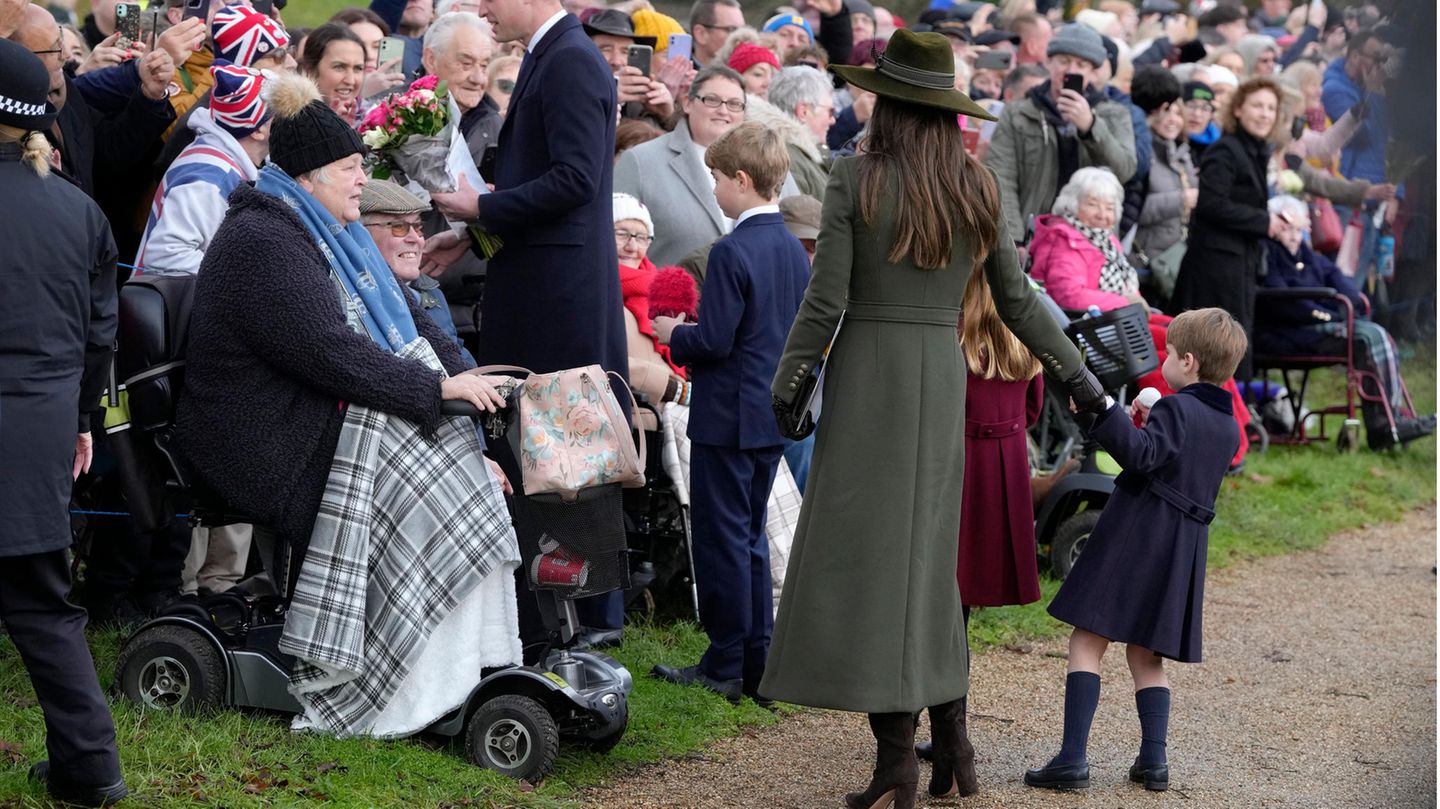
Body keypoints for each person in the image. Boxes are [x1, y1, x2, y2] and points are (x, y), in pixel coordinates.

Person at [758, 31, 1100, 809]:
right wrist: (1075, 373)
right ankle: (952, 743)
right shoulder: (977, 184)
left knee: (876, 565)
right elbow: (1018, 301)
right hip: (944, 376)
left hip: (872, 373)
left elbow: (827, 298)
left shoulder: (854, 177)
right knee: (929, 564)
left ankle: (897, 762)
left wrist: (791, 376)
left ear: (892, 106)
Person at [428, 0, 631, 641]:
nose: (483, 9)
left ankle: (591, 617)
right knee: (551, 453)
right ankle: (561, 610)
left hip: (559, 300)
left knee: (571, 455)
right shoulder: (556, 55)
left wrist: (484, 206)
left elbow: (574, 179)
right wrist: (471, 233)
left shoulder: (571, 60)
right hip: (545, 285)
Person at [1025, 308, 1248, 794]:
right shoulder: (1227, 426)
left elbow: (1143, 456)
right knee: (1147, 654)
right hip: (1182, 548)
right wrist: (1144, 428)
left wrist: (1107, 415)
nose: (1163, 361)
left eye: (1168, 353)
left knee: (1088, 639)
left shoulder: (1177, 407)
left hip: (1141, 532)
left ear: (1187, 362)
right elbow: (1173, 460)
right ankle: (1153, 762)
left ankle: (1072, 758)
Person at [0, 40, 127, 809]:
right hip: (43, 430)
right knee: (43, 605)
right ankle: (91, 767)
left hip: (38, 419)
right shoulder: (78, 210)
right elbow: (98, 336)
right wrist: (81, 418)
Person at [650, 121, 809, 706]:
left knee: (723, 539)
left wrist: (674, 332)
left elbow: (714, 341)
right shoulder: (792, 248)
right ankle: (756, 662)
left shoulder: (733, 250)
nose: (713, 189)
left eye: (717, 178)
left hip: (727, 415)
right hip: (769, 412)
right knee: (752, 540)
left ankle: (723, 662)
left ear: (741, 180)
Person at [1257, 196, 1433, 451]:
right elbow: (1287, 304)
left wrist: (1349, 304)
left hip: (1322, 328)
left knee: (1375, 336)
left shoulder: (1310, 257)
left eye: (1299, 229)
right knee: (1369, 337)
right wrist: (1330, 315)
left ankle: (1387, 422)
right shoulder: (1268, 255)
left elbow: (1342, 284)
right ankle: (1386, 425)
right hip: (1291, 334)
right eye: (1288, 229)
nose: (1294, 236)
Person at [1172, 76, 1286, 380]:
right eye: (1258, 106)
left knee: (1231, 353)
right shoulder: (1226, 150)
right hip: (1214, 269)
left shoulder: (1253, 151)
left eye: (1271, 108)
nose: (1264, 114)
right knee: (1214, 356)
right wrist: (1264, 222)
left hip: (1237, 264)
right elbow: (1211, 203)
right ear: (1238, 109)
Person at [984, 22, 1137, 244]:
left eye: (1081, 64)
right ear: (1049, 62)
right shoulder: (1019, 112)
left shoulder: (1114, 115)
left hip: (1090, 245)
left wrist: (1090, 126)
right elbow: (1001, 179)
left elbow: (1124, 170)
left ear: (1092, 71)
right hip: (1032, 237)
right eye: (1064, 61)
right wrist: (1015, 241)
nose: (1071, 70)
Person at [137, 66, 272, 273]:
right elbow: (167, 254)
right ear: (258, 129)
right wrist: (242, 281)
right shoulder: (209, 178)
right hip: (180, 304)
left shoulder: (226, 163)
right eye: (281, 109)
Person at [614, 65, 748, 267]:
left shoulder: (764, 165)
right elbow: (613, 239)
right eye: (712, 100)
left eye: (735, 104)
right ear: (687, 103)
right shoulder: (640, 161)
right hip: (662, 295)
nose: (723, 110)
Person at [360, 178, 473, 358]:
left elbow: (458, 357)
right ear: (361, 235)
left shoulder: (431, 292)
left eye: (418, 227)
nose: (416, 239)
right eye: (398, 227)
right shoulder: (353, 302)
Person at [760, 65, 833, 200]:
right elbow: (796, 218)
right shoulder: (787, 160)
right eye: (830, 112)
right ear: (804, 112)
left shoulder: (798, 152)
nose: (833, 120)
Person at [299, 22, 367, 124]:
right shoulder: (292, 121)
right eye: (339, 67)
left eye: (358, 68)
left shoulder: (376, 123)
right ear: (310, 70)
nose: (350, 80)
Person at [689, 0, 746, 67]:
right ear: (701, 34)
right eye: (731, 30)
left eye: (743, 30)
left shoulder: (750, 73)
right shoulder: (678, 75)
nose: (742, 38)